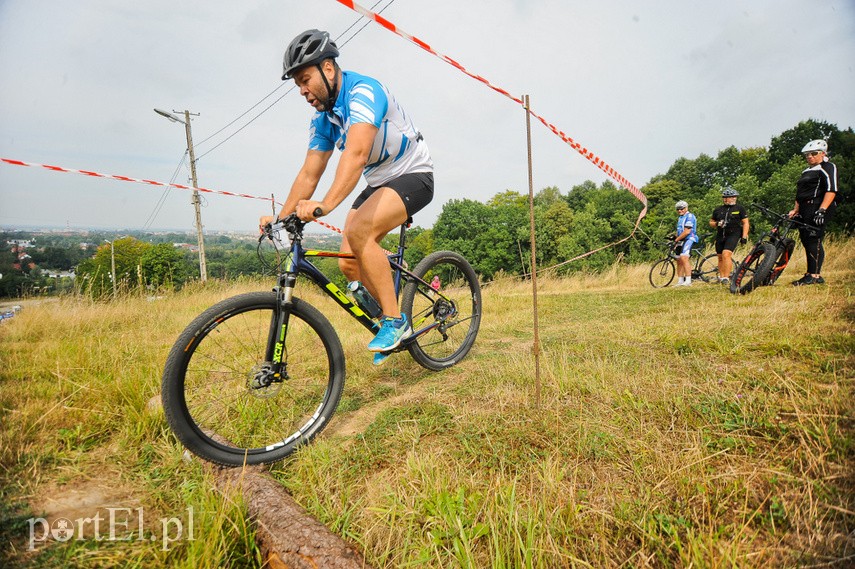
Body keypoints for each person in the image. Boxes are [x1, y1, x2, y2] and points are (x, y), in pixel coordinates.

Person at [260, 29, 434, 364]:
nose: (302, 91)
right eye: (297, 84)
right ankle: (387, 291)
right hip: (380, 182)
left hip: (413, 174)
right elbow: (310, 171)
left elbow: (354, 156)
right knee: (347, 263)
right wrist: (281, 218)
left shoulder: (364, 92)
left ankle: (396, 322)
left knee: (358, 233)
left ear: (328, 68)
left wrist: (324, 206)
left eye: (305, 79)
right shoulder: (323, 118)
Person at [787, 139, 838, 286]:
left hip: (818, 206)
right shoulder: (806, 171)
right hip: (804, 208)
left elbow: (831, 189)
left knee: (813, 239)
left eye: (813, 153)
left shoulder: (827, 167)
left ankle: (815, 276)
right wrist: (795, 209)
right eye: (807, 155)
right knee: (806, 239)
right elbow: (800, 193)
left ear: (822, 153)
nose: (809, 156)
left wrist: (822, 210)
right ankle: (810, 274)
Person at [708, 188, 749, 284]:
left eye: (730, 197)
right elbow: (711, 222)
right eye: (725, 198)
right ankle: (722, 277)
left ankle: (726, 277)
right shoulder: (718, 209)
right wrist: (717, 223)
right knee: (720, 257)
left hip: (734, 233)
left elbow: (746, 223)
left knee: (726, 254)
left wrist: (744, 236)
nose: (728, 199)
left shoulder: (739, 209)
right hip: (720, 234)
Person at [673, 200, 698, 286]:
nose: (680, 210)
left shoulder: (690, 216)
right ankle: (680, 281)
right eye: (678, 209)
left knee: (684, 258)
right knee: (679, 259)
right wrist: (675, 239)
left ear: (686, 208)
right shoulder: (680, 218)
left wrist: (677, 240)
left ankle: (688, 281)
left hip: (689, 238)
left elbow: (687, 231)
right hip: (681, 239)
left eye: (682, 208)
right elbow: (679, 230)